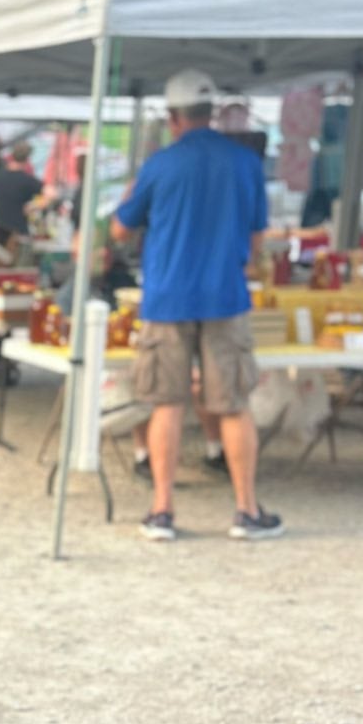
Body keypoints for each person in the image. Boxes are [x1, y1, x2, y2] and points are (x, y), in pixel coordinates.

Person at [111, 68, 280, 542]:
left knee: (166, 402)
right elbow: (258, 236)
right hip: (226, 294)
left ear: (172, 117)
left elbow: (121, 229)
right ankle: (246, 510)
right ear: (212, 113)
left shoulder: (160, 165)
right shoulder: (245, 163)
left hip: (166, 298)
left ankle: (162, 509)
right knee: (232, 403)